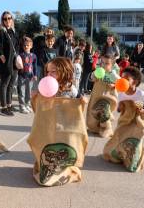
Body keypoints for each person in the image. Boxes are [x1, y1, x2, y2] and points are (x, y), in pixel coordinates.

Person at [28, 57, 88, 186]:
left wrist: (81, 102)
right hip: (49, 127)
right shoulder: (45, 87)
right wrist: (34, 98)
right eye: (48, 72)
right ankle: (47, 167)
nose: (49, 75)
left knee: (62, 151)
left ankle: (64, 170)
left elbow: (76, 112)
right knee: (48, 148)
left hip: (65, 128)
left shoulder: (70, 90)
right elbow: (39, 110)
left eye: (53, 72)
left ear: (64, 72)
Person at [103, 67, 144, 172]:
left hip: (138, 117)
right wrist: (120, 107)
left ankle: (132, 158)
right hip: (125, 119)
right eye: (122, 77)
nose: (122, 80)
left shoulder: (140, 94)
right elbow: (118, 108)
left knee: (133, 137)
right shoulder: (121, 93)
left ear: (134, 81)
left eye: (126, 78)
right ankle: (121, 155)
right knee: (120, 136)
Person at [86, 54, 120, 138]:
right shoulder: (98, 71)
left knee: (103, 109)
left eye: (107, 63)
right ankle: (95, 128)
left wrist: (114, 85)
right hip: (97, 94)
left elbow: (120, 83)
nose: (103, 65)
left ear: (112, 65)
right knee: (91, 114)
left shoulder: (113, 74)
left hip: (107, 96)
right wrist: (94, 76)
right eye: (102, 63)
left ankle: (107, 128)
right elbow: (91, 77)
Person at [0, 11, 19, 116]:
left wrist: (18, 58)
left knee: (11, 85)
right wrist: (1, 57)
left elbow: (17, 45)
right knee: (4, 84)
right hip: (5, 63)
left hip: (13, 62)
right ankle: (3, 107)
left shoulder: (13, 31)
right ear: (2, 21)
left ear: (12, 19)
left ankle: (9, 104)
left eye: (9, 18)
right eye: (5, 19)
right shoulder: (1, 32)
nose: (7, 20)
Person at [17, 36, 37, 114]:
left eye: (28, 45)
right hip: (21, 76)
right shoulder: (20, 55)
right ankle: (22, 106)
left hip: (30, 76)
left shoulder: (34, 56)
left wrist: (35, 75)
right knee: (21, 91)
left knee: (28, 91)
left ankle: (27, 104)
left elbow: (35, 66)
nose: (26, 47)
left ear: (31, 46)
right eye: (24, 45)